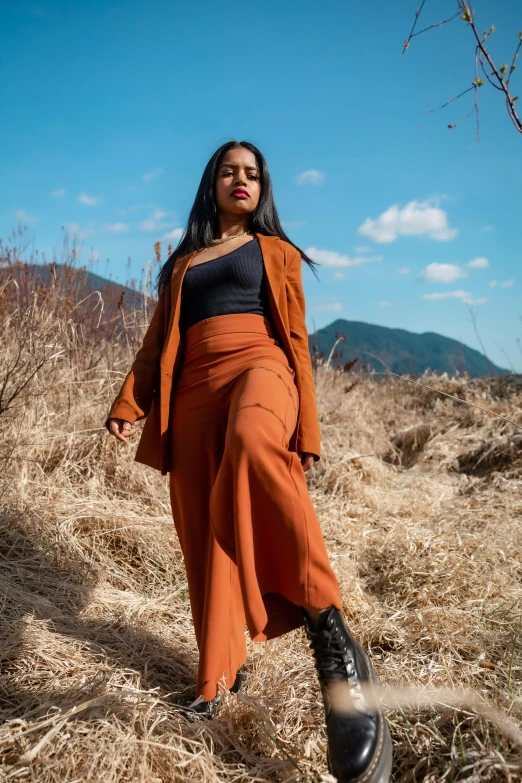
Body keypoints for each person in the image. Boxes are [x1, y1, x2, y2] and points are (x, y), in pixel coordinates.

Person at [106, 140, 392, 783]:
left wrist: (307, 430)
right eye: (231, 172)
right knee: (205, 541)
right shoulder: (182, 263)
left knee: (255, 443)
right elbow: (158, 343)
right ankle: (215, 681)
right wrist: (131, 402)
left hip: (260, 369)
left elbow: (294, 340)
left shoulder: (277, 253)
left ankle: (327, 626)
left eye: (254, 174)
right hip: (192, 396)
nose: (243, 180)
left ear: (265, 188)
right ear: (212, 184)